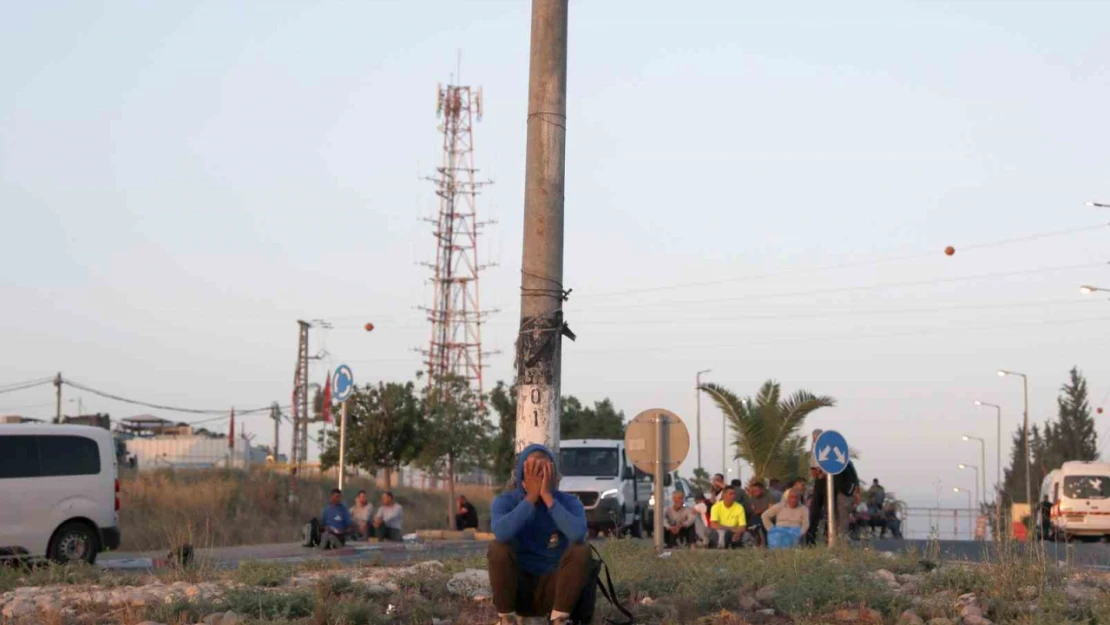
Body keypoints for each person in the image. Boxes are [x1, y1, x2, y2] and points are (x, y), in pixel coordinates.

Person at [488, 444, 589, 625]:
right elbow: (502, 534)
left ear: (554, 476)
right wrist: (531, 498)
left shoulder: (570, 502)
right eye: (534, 473)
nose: (541, 479)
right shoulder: (505, 501)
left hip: (556, 589)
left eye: (546, 473)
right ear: (521, 477)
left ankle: (560, 619)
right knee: (497, 547)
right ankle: (507, 619)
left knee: (582, 550)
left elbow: (578, 534)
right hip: (519, 588)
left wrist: (549, 498)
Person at [746, 479, 774, 547]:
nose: (754, 492)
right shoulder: (751, 498)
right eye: (753, 491)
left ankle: (763, 541)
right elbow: (752, 509)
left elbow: (771, 508)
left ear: (762, 490)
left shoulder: (769, 496)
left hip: (767, 516)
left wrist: (761, 511)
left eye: (756, 491)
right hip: (756, 517)